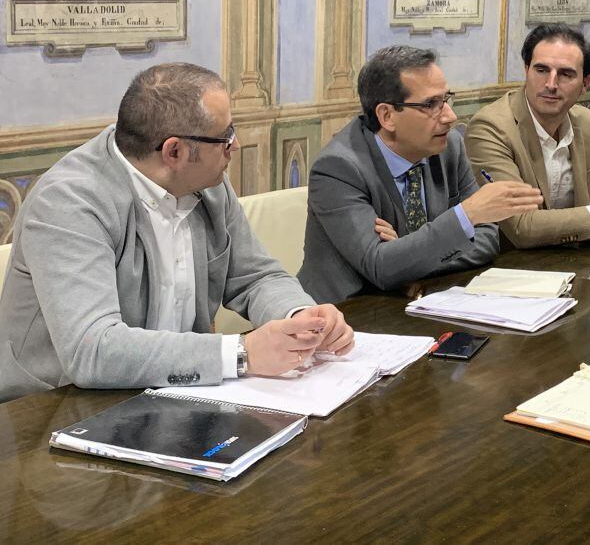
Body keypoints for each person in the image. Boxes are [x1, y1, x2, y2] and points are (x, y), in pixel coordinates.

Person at [0, 63, 353, 404]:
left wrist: (300, 319)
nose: (237, 145)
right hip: (51, 412)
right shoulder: (68, 202)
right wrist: (242, 353)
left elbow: (255, 276)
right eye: (225, 137)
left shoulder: (208, 183)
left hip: (175, 397)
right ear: (174, 151)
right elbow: (92, 350)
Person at [298, 47, 542, 302]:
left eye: (446, 99)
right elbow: (380, 267)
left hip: (420, 301)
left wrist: (407, 253)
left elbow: (487, 241)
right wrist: (465, 215)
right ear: (387, 115)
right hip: (343, 316)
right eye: (430, 104)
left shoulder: (449, 147)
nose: (450, 116)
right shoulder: (338, 168)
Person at [465, 23, 590, 249]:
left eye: (565, 74)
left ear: (585, 84)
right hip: (509, 272)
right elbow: (522, 227)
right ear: (526, 70)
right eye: (541, 70)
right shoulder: (491, 128)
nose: (551, 84)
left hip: (578, 269)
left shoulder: (587, 123)